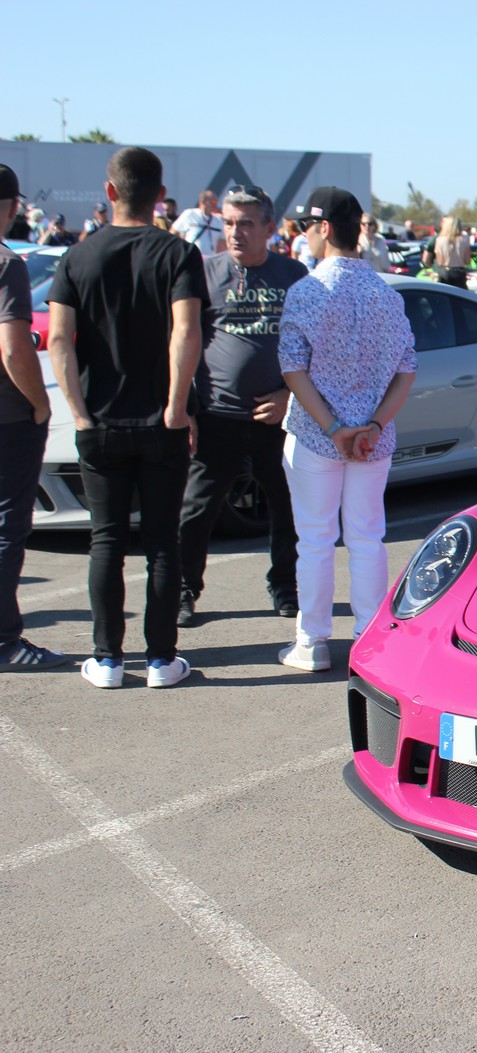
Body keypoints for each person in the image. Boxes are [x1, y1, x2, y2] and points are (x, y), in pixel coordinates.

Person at [47, 146, 206, 689]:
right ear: (160, 197)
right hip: (162, 421)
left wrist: (79, 413)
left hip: (101, 422)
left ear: (109, 191)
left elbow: (60, 340)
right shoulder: (178, 255)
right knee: (163, 541)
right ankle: (162, 659)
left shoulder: (77, 257)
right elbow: (186, 331)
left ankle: (107, 659)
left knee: (107, 540)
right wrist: (177, 406)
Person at [276, 186, 416, 673]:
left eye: (305, 227)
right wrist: (374, 424)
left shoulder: (307, 290)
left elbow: (293, 368)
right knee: (366, 538)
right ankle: (367, 639)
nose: (303, 236)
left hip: (319, 436)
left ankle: (311, 641)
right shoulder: (385, 293)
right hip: (373, 439)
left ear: (325, 228)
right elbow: (406, 369)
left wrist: (334, 427)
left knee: (314, 540)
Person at [176, 185, 308, 629]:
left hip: (277, 417)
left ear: (270, 228)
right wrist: (187, 405)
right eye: (230, 223)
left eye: (247, 224)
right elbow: (183, 340)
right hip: (218, 415)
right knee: (197, 509)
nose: (236, 233)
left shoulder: (293, 274)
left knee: (286, 505)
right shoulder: (205, 272)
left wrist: (289, 397)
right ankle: (184, 588)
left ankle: (285, 586)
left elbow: (315, 346)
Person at [0, 164, 67, 671]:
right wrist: (39, 404)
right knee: (7, 527)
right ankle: (4, 640)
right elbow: (13, 349)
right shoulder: (8, 264)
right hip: (8, 418)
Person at [172, 189, 227, 255]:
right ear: (204, 202)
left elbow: (224, 243)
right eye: (214, 201)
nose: (216, 204)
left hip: (209, 261)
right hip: (191, 257)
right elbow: (173, 232)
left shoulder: (218, 220)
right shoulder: (190, 214)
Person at [423, 216, 470, 288]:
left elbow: (440, 262)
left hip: (444, 272)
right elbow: (467, 261)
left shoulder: (439, 240)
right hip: (459, 273)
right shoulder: (465, 239)